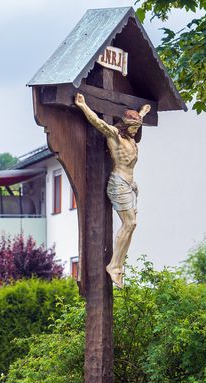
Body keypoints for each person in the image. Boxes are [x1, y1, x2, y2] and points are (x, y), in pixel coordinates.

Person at [73, 92, 151, 287]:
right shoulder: (115, 135)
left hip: (131, 185)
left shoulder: (132, 138)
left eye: (137, 127)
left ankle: (118, 264)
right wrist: (83, 105)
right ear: (124, 125)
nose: (135, 131)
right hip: (118, 182)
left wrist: (143, 112)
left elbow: (137, 117)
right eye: (133, 127)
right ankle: (114, 265)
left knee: (131, 225)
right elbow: (98, 123)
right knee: (130, 223)